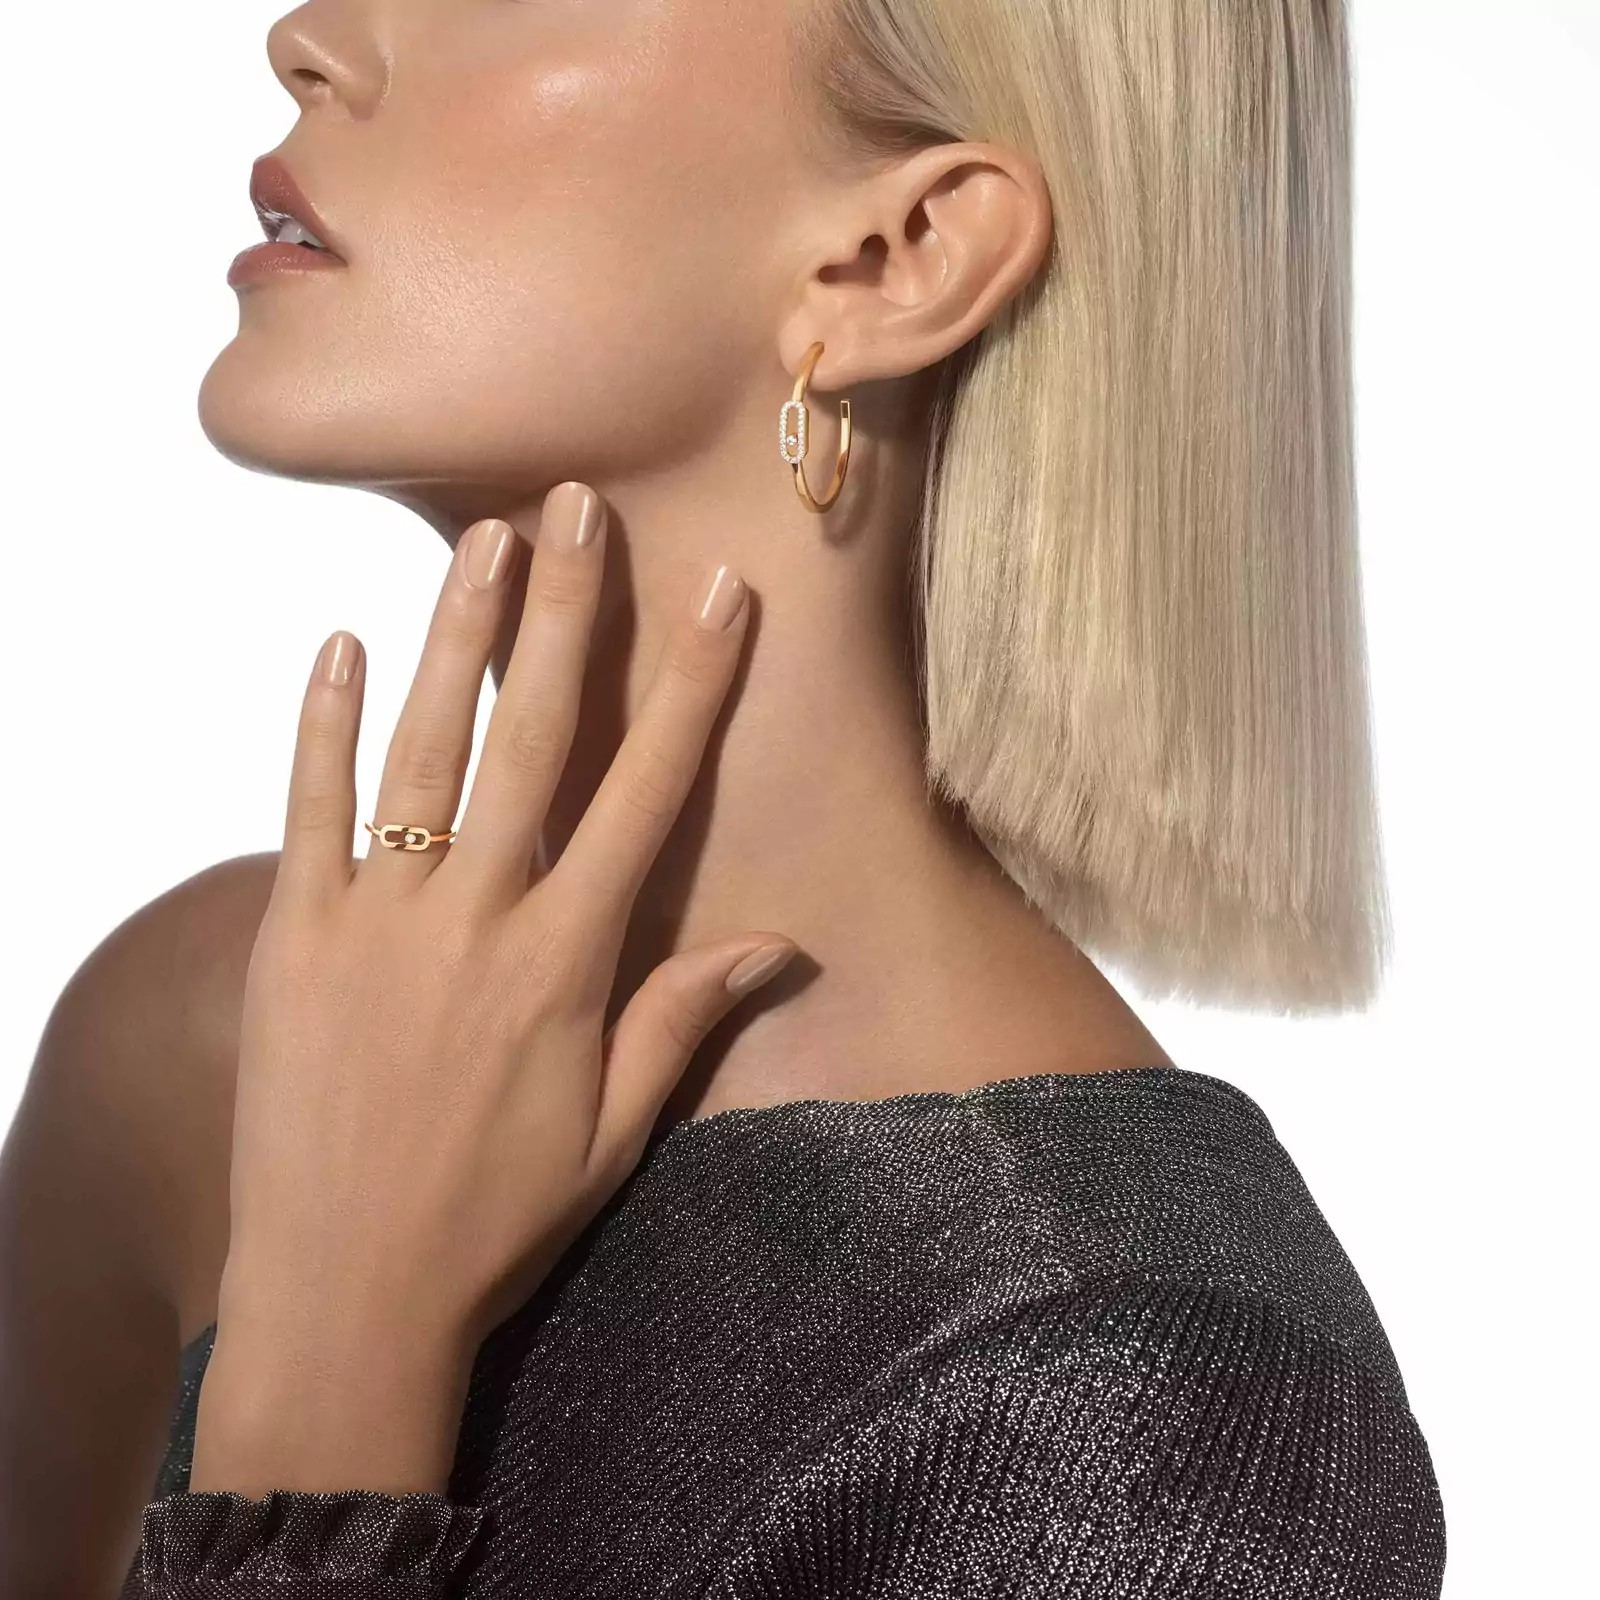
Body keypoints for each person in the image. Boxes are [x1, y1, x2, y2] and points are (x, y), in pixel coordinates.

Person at [0, 0, 1447, 1595]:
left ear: (895, 258)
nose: (310, 36)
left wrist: (330, 1385)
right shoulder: (204, 1034)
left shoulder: (1146, 1397)